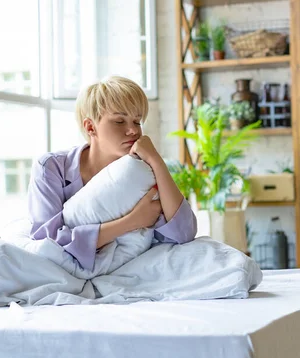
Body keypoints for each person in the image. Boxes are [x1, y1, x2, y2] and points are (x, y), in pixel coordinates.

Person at [27, 76, 197, 273]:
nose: (133, 130)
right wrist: (133, 221)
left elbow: (184, 233)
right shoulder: (51, 167)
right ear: (91, 127)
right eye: (119, 121)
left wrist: (156, 161)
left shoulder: (139, 173)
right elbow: (47, 244)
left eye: (137, 121)